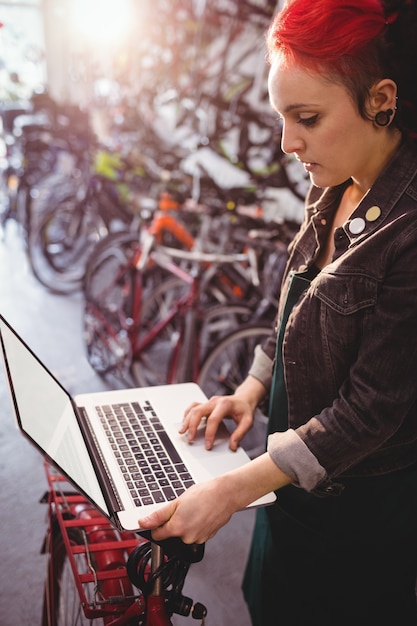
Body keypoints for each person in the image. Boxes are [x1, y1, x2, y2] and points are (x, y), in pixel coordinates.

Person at [139, 1, 417, 623]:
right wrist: (249, 390)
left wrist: (233, 489)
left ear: (381, 99)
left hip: (357, 517)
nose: (289, 144)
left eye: (308, 118)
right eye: (282, 118)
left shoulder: (409, 228)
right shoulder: (334, 183)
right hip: (289, 488)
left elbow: (371, 410)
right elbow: (293, 307)